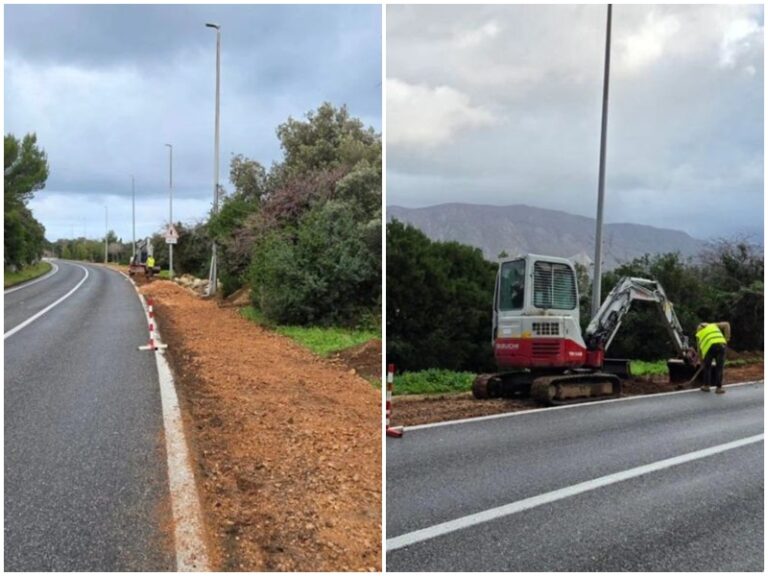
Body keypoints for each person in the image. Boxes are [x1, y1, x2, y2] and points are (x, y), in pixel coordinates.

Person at [696, 322, 728, 394]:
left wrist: (701, 361)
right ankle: (719, 388)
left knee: (707, 367)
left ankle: (706, 386)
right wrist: (727, 339)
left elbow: (699, 349)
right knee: (719, 367)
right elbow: (727, 325)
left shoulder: (699, 332)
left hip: (709, 347)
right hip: (721, 345)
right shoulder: (713, 326)